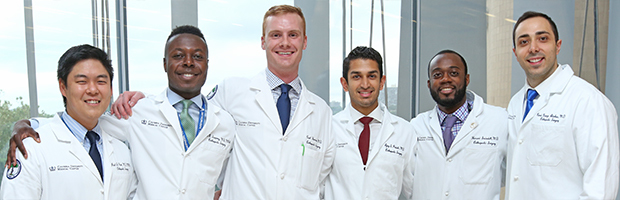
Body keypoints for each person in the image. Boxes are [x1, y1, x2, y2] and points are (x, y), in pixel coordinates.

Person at [97, 4, 335, 200]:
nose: (285, 43)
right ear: (263, 42)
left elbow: (321, 175)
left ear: (304, 41)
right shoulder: (233, 91)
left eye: (293, 35)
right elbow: (185, 104)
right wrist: (141, 98)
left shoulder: (321, 111)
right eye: (276, 35)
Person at [6, 25, 236, 199]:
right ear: (165, 64)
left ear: (207, 63)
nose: (188, 62)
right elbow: (81, 120)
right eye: (178, 56)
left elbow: (229, 179)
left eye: (197, 56)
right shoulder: (137, 112)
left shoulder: (225, 123)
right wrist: (25, 125)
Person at [505, 11, 619, 199]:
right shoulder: (516, 103)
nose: (533, 48)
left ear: (557, 46)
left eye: (542, 38)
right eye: (523, 42)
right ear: (515, 53)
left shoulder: (588, 101)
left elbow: (601, 189)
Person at [0, 44, 137, 199]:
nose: (93, 90)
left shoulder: (122, 150)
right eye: (82, 82)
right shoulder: (30, 150)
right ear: (63, 87)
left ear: (111, 89)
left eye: (101, 81)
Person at [409, 50, 508, 199]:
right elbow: (406, 181)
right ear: (429, 84)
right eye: (437, 75)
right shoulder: (416, 127)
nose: (445, 79)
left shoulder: (500, 120)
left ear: (467, 79)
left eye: (454, 73)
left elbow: (513, 173)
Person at [323, 46, 414, 199]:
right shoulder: (329, 128)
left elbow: (413, 191)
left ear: (382, 81)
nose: (365, 84)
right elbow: (315, 187)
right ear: (344, 84)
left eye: (371, 76)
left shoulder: (405, 131)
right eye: (356, 77)